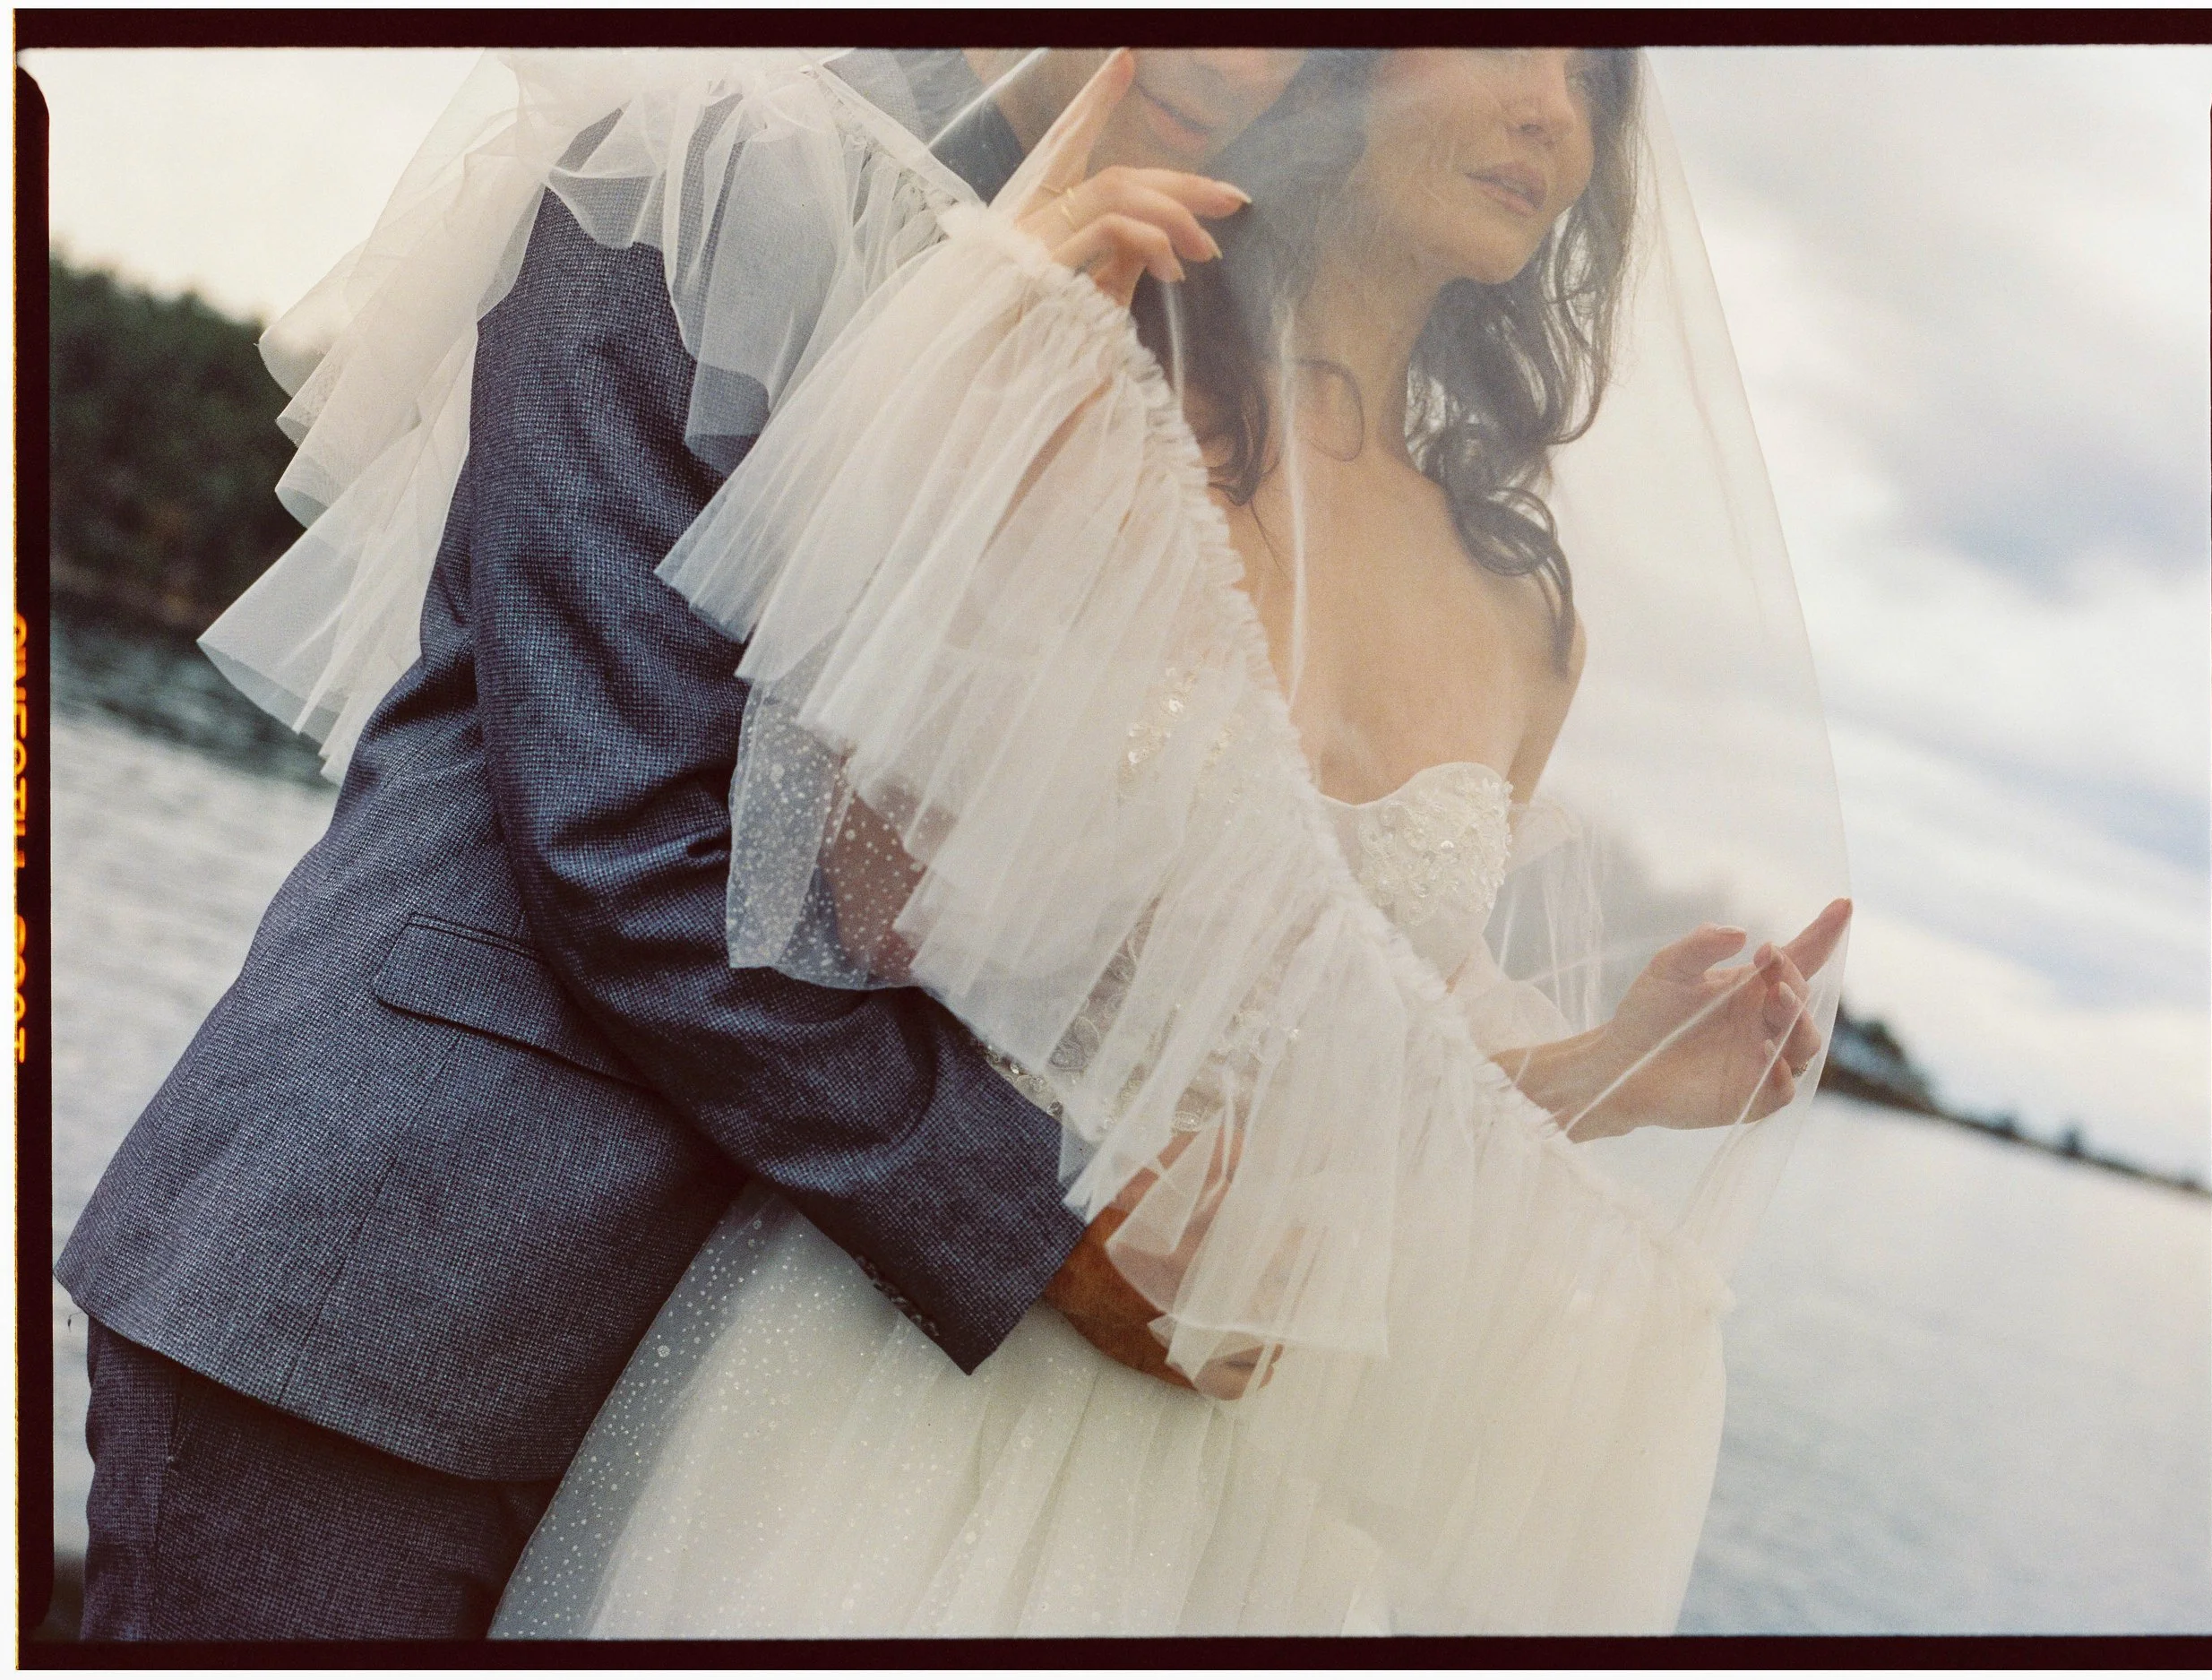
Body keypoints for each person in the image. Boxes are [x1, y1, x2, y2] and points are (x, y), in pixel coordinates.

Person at [486, 47, 1853, 1636]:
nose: (1557, 111)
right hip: (928, 1374)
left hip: (1240, 1495)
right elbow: (837, 872)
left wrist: (1605, 1074)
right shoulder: (1085, 372)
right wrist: (976, 395)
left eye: (1594, 76)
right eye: (1502, 35)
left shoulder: (1525, 616)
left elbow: (1341, 1072)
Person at [54, 47, 1306, 1641]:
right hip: (380, 1288)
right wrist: (1040, 1227)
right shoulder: (708, 158)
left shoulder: (1186, 340)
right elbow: (625, 829)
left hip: (741, 1417)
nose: (1232, 42)